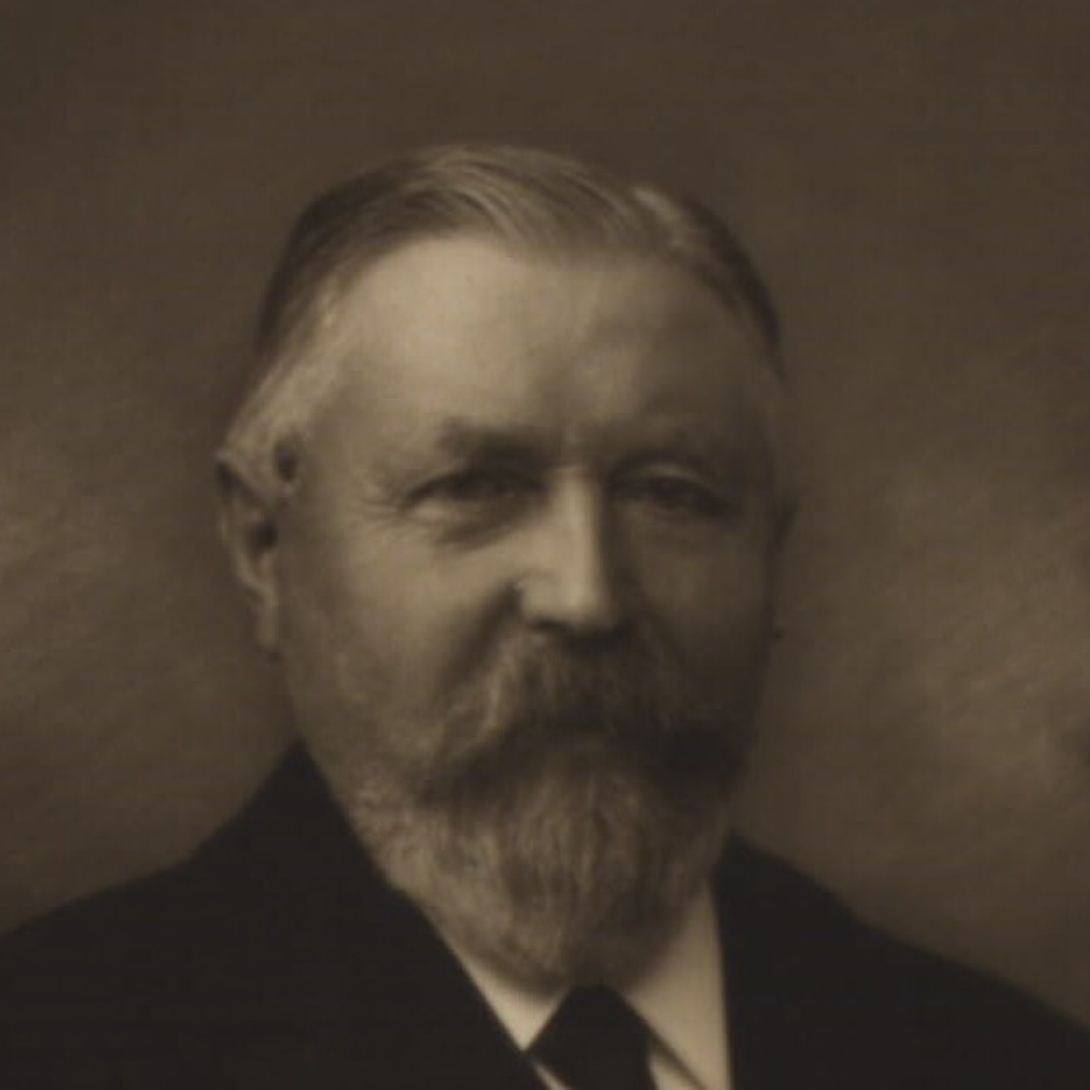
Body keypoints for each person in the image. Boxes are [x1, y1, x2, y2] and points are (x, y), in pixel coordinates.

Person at [1, 143, 1088, 1089]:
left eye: (672, 494)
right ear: (263, 549)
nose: (588, 595)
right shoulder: (54, 1046)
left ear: (772, 551)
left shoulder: (1006, 1061)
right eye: (476, 486)